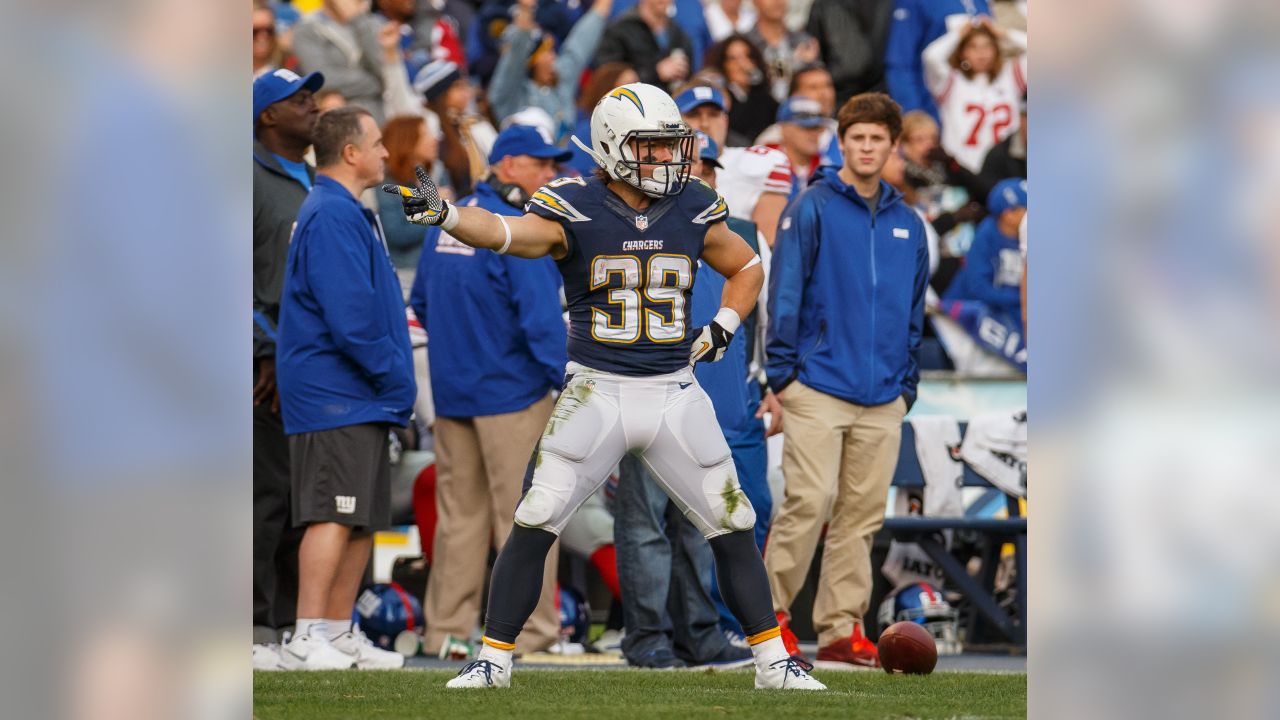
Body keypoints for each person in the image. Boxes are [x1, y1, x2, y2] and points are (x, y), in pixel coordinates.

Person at [385, 81, 825, 690]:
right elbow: (510, 234)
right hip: (597, 390)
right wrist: (448, 214)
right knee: (536, 515)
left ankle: (773, 663)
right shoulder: (574, 202)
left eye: (669, 146)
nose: (666, 159)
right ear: (614, 147)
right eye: (650, 147)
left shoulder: (693, 203)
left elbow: (745, 264)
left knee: (733, 520)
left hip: (674, 390)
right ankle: (493, 660)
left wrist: (725, 323)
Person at [764, 92, 929, 668]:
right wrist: (783, 373)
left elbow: (914, 313)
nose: (865, 147)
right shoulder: (811, 206)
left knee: (861, 517)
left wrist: (906, 385)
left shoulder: (909, 221)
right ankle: (773, 621)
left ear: (891, 145)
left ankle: (840, 627)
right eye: (856, 137)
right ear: (841, 143)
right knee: (809, 502)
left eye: (876, 139)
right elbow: (784, 292)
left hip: (884, 395)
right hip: (816, 385)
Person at [408, 125, 572, 659]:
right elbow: (542, 321)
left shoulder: (444, 222)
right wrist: (566, 384)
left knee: (460, 521)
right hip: (514, 396)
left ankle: (446, 631)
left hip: (455, 395)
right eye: (540, 163)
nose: (550, 173)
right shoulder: (512, 227)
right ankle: (533, 633)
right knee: (528, 519)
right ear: (506, 166)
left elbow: (423, 305)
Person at [276, 106, 416, 670]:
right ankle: (307, 633)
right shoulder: (331, 214)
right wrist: (394, 374)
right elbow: (351, 318)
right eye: (378, 144)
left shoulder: (346, 210)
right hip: (338, 390)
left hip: (361, 392)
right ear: (352, 153)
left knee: (361, 517)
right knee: (333, 513)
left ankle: (337, 630)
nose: (387, 153)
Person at [252, 67, 324, 671]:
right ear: (266, 116)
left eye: (314, 96)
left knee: (301, 502)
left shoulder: (316, 177)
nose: (313, 106)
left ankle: (287, 625)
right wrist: (263, 349)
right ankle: (250, 627)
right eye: (298, 100)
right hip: (264, 364)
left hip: (311, 365)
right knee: (262, 499)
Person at [676, 84, 791, 249]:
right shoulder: (662, 165)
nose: (705, 123)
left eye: (713, 115)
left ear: (725, 120)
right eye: (694, 115)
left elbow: (766, 247)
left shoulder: (758, 162)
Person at [488, 0, 612, 140]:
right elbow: (516, 52)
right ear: (531, 59)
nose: (553, 57)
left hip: (563, 159)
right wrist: (525, 9)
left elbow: (580, 43)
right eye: (546, 52)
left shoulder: (560, 78)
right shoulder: (510, 95)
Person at [922, 15, 1027, 173]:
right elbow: (930, 57)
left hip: (1004, 168)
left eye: (987, 46)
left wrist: (1003, 33)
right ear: (962, 52)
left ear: (996, 49)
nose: (981, 53)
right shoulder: (951, 81)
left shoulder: (1010, 77)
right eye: (973, 47)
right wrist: (958, 34)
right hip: (964, 169)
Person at [884, 0, 990, 122]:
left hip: (977, 108)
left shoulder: (980, 3)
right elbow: (900, 62)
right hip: (933, 105)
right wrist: (912, 112)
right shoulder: (915, 3)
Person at [377, 114, 448, 282]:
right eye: (425, 134)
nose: (434, 139)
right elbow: (396, 233)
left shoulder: (438, 173)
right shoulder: (389, 185)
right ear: (407, 141)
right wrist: (435, 210)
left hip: (439, 265)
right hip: (408, 273)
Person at [415, 59, 498, 196]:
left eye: (466, 85)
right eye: (458, 87)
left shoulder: (474, 124)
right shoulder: (432, 132)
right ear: (440, 95)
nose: (467, 92)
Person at [804, 0, 894, 105]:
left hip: (886, 93)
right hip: (840, 95)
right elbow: (814, 55)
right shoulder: (824, 4)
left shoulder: (893, 3)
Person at [594, 0, 694, 91]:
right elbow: (608, 78)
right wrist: (657, 72)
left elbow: (690, 73)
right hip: (629, 105)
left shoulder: (678, 32)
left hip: (669, 104)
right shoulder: (620, 30)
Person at [702, 35, 779, 147]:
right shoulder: (718, 98)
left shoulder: (765, 100)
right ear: (723, 65)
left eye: (748, 57)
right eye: (733, 58)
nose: (742, 64)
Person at [564, 62, 640, 175]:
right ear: (607, 91)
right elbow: (578, 176)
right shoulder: (588, 130)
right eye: (628, 86)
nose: (636, 93)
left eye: (638, 85)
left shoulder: (642, 127)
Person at [745, 0, 820, 103]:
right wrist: (796, 63)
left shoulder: (804, 42)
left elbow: (819, 82)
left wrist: (809, 65)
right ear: (755, 2)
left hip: (798, 111)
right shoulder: (744, 44)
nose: (777, 2)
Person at [768, 96, 827, 195]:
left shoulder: (828, 168)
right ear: (783, 130)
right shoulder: (765, 165)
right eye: (806, 127)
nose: (814, 134)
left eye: (817, 127)